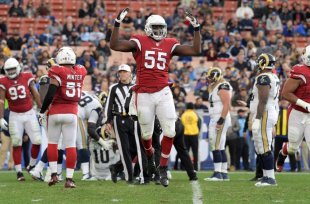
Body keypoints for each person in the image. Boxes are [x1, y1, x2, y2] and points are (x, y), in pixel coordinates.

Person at [109, 8, 201, 187]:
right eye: (155, 27)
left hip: (163, 91)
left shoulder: (170, 43)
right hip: (143, 93)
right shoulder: (140, 41)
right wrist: (117, 24)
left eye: (161, 27)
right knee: (146, 135)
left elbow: (195, 50)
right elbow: (115, 45)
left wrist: (196, 28)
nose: (159, 31)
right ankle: (151, 158)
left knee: (171, 131)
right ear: (148, 28)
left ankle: (163, 168)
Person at [38, 46, 87, 188]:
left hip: (56, 111)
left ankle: (54, 174)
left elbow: (51, 93)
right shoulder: (81, 70)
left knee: (52, 143)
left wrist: (42, 111)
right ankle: (70, 179)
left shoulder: (57, 70)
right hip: (71, 112)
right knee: (70, 146)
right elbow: (73, 69)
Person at [0, 57, 42, 181]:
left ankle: (31, 165)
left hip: (29, 113)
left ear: (18, 67)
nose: (12, 71)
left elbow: (35, 93)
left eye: (13, 69)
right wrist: (1, 117)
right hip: (14, 115)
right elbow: (1, 101)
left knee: (37, 141)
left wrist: (42, 110)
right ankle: (19, 172)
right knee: (17, 143)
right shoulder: (3, 81)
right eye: (9, 69)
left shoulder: (27, 76)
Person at [104, 64, 145, 184]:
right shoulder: (114, 88)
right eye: (120, 72)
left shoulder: (135, 87)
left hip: (134, 120)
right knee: (124, 149)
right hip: (119, 119)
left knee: (135, 149)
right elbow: (109, 105)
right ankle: (129, 177)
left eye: (124, 72)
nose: (122, 74)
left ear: (130, 74)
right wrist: (108, 121)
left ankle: (116, 168)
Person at [276, 45, 310, 172]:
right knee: (293, 148)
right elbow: (285, 93)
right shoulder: (300, 70)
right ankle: (282, 153)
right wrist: (304, 104)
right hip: (297, 112)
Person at [250, 53, 280, 187]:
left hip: (264, 113)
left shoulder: (264, 77)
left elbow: (263, 99)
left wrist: (257, 118)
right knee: (261, 146)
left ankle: (270, 178)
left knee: (265, 145)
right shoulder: (272, 76)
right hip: (267, 112)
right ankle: (266, 176)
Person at [204, 67, 232, 182]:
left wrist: (220, 120)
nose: (209, 79)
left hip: (219, 117)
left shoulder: (223, 86)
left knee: (215, 145)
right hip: (217, 117)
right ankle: (224, 172)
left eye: (211, 77)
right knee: (220, 146)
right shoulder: (216, 86)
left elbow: (226, 105)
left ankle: (217, 173)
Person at [180, 102, 200, 171]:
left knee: (185, 152)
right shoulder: (195, 114)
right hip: (194, 135)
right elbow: (199, 124)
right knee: (195, 152)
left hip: (185, 135)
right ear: (193, 107)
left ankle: (183, 167)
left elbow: (181, 125)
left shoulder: (183, 115)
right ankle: (195, 167)